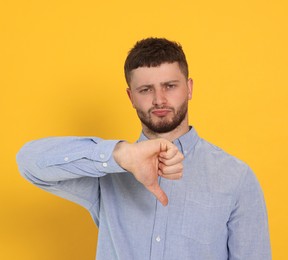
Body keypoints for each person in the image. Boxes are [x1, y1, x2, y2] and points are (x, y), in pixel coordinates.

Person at [16, 38, 271, 260]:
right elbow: (29, 162)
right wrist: (121, 155)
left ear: (189, 88)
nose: (159, 99)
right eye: (146, 89)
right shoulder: (107, 173)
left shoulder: (236, 178)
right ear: (130, 97)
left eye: (170, 86)